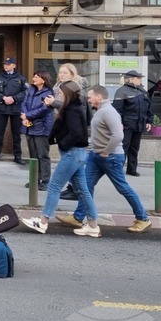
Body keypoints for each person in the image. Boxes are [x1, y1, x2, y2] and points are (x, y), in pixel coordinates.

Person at [59, 85, 152, 234]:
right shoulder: (102, 111)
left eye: (90, 97)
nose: (88, 100)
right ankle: (78, 217)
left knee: (122, 187)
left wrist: (106, 152)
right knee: (86, 186)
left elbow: (118, 135)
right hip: (96, 156)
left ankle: (143, 219)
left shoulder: (108, 112)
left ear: (99, 97)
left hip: (111, 157)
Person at [22, 81, 101, 237]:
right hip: (78, 153)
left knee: (54, 186)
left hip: (72, 153)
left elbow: (76, 133)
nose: (58, 94)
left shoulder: (72, 110)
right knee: (84, 191)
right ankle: (93, 225)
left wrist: (62, 143)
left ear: (67, 93)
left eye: (60, 92)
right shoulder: (74, 107)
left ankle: (42, 222)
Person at [44, 62, 90, 200]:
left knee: (58, 180)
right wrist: (48, 104)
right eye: (60, 72)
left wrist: (54, 103)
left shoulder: (76, 88)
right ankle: (76, 190)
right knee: (76, 172)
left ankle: (75, 190)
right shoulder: (57, 87)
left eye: (65, 72)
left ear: (72, 74)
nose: (62, 74)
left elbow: (72, 108)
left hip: (71, 134)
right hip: (62, 128)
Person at [113, 69, 153, 177]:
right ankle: (118, 170)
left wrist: (149, 120)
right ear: (131, 79)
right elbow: (117, 109)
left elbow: (148, 107)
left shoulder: (143, 91)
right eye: (138, 78)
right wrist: (119, 123)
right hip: (126, 124)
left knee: (135, 147)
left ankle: (132, 169)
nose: (140, 80)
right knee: (123, 147)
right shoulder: (122, 91)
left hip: (139, 123)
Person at [0, 57, 27, 164]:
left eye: (8, 64)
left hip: (15, 108)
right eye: (4, 64)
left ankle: (18, 156)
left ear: (14, 65)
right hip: (1, 108)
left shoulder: (21, 78)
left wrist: (14, 98)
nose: (5, 65)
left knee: (16, 134)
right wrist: (3, 98)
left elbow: (25, 92)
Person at [20, 71, 55, 189]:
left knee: (42, 155)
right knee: (33, 155)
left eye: (37, 77)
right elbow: (24, 103)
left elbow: (44, 109)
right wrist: (24, 116)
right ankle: (34, 179)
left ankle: (45, 180)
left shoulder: (49, 93)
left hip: (42, 127)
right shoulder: (30, 90)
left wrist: (27, 115)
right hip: (29, 126)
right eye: (34, 76)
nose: (34, 78)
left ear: (43, 80)